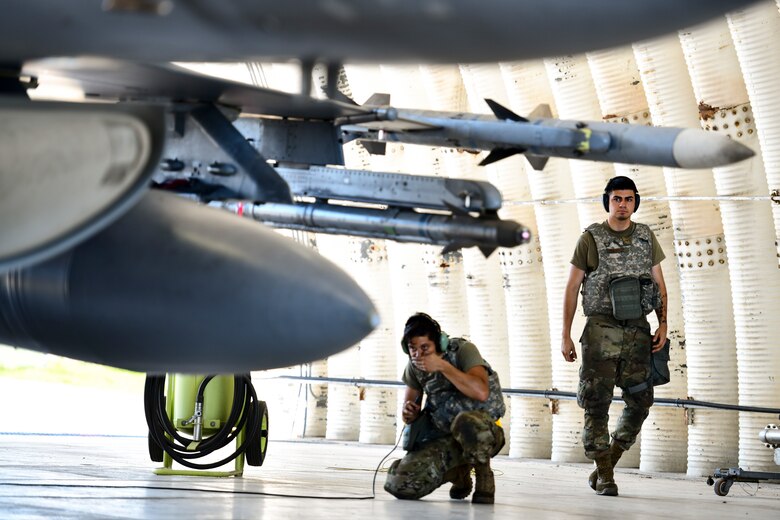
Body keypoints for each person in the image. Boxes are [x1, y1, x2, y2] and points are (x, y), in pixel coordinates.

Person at [561, 176, 668, 497]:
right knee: (596, 403)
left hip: (637, 330)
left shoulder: (646, 237)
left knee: (641, 400)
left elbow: (659, 285)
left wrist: (664, 324)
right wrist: (565, 335)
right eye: (617, 199)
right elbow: (571, 287)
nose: (623, 205)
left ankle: (606, 463)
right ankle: (606, 476)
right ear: (606, 201)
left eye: (629, 199)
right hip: (600, 331)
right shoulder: (591, 239)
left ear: (636, 202)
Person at [384, 312, 506, 504]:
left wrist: (442, 366)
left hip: (482, 433)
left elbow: (481, 392)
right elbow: (408, 413)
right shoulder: (414, 366)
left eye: (425, 348)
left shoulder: (463, 351)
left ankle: (484, 476)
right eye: (412, 348)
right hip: (443, 437)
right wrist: (410, 413)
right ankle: (458, 474)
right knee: (400, 484)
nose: (418, 354)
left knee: (465, 422)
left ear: (439, 344)